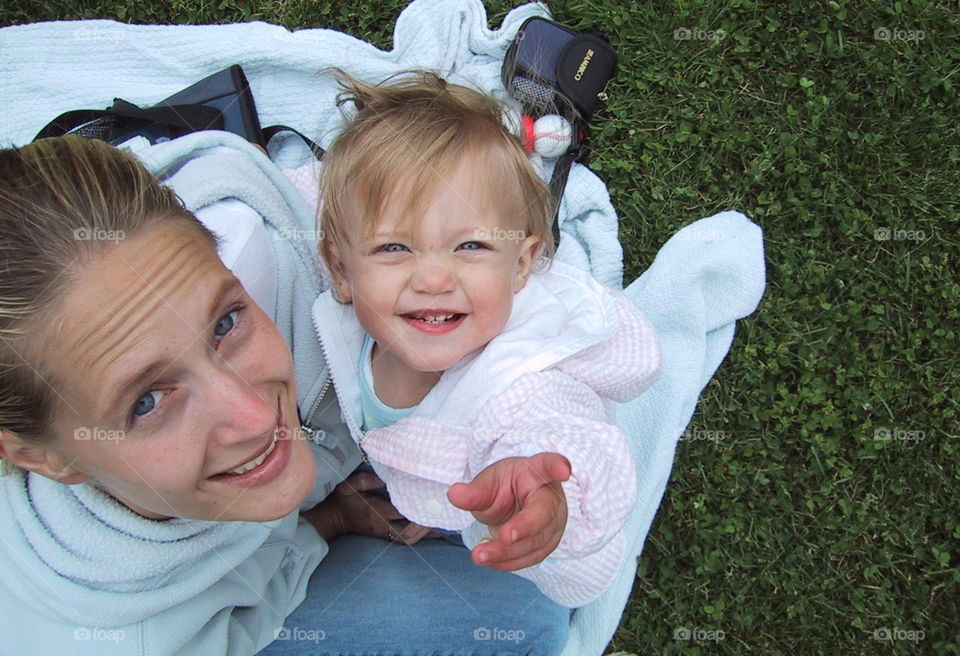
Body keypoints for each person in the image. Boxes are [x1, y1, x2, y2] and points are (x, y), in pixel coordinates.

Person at [0, 135, 570, 655]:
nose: (256, 418)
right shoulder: (106, 636)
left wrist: (329, 516)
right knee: (523, 623)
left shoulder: (277, 251)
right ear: (38, 457)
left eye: (225, 323)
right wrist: (317, 529)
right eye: (147, 402)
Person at [313, 73, 663, 607]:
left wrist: (547, 498)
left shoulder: (517, 385)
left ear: (521, 266)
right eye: (393, 248)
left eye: (471, 245)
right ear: (340, 269)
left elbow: (562, 436)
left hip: (479, 506)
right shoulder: (342, 315)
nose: (433, 278)